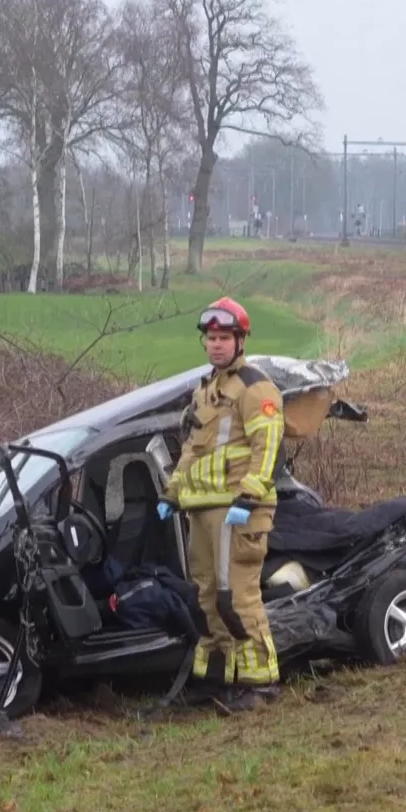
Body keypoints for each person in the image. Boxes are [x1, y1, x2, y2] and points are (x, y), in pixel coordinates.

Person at [158, 298, 287, 712]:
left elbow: (268, 448)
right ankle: (215, 680)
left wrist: (249, 497)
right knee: (207, 596)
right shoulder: (206, 390)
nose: (216, 345)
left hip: (239, 508)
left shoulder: (255, 387)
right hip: (204, 509)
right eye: (211, 338)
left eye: (223, 338)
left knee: (238, 597)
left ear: (239, 340)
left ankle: (261, 683)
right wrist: (172, 493)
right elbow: (193, 449)